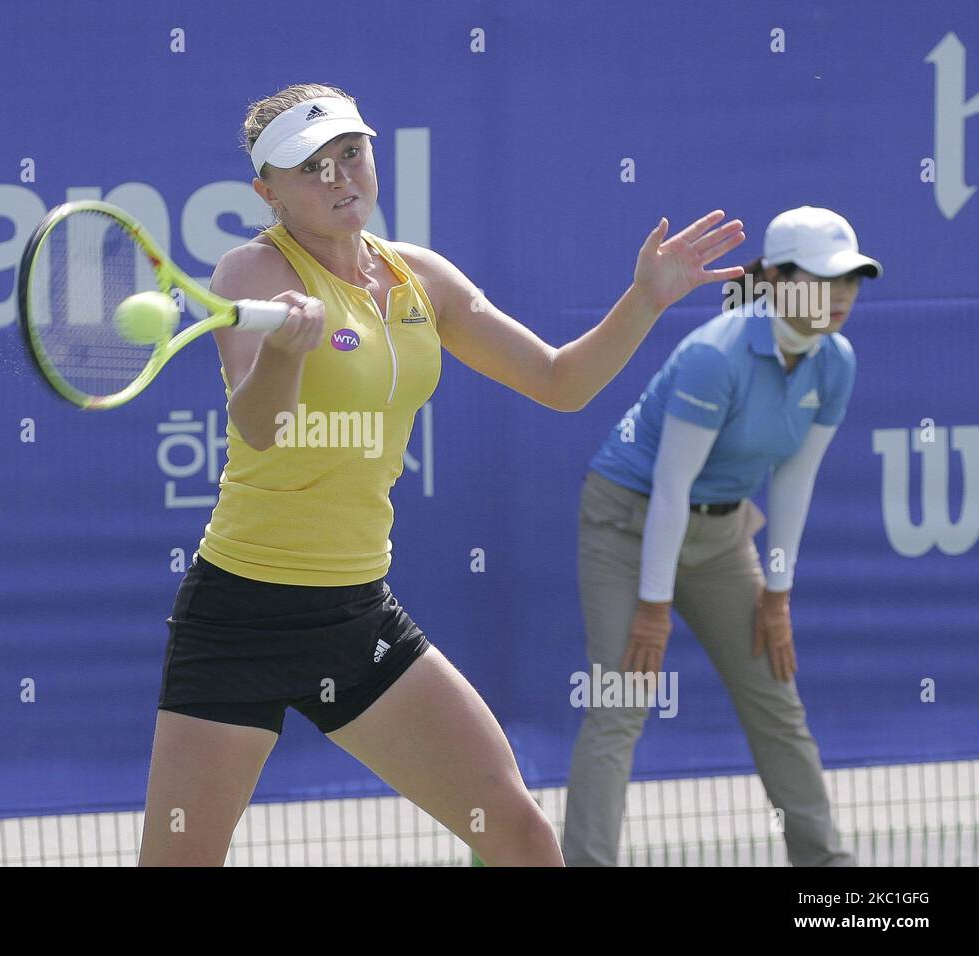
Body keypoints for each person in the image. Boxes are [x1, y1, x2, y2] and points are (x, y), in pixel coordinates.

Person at [139, 82, 745, 866]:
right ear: (267, 191)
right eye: (310, 167)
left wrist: (645, 298)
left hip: (356, 617)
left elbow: (561, 383)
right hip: (240, 615)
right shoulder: (251, 273)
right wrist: (288, 351)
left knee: (519, 832)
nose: (339, 179)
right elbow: (261, 427)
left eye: (351, 154)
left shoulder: (420, 278)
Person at [562, 206, 881, 866]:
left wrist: (779, 591)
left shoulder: (837, 362)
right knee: (618, 708)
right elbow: (672, 488)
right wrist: (652, 608)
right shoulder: (716, 356)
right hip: (627, 524)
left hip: (724, 537)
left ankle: (830, 874)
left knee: (777, 699)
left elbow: (793, 482)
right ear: (775, 280)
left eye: (850, 279)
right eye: (824, 279)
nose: (841, 295)